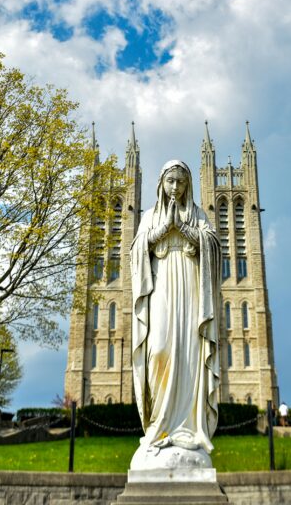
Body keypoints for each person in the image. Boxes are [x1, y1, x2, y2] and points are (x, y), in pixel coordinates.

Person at [130, 160, 222, 467]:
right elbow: (136, 250)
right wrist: (161, 230)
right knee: (159, 351)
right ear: (161, 183)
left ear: (188, 185)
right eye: (170, 181)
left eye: (180, 182)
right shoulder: (148, 216)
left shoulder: (198, 215)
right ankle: (158, 426)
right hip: (161, 290)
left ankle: (187, 427)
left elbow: (212, 244)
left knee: (189, 355)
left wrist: (183, 228)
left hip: (190, 293)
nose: (175, 188)